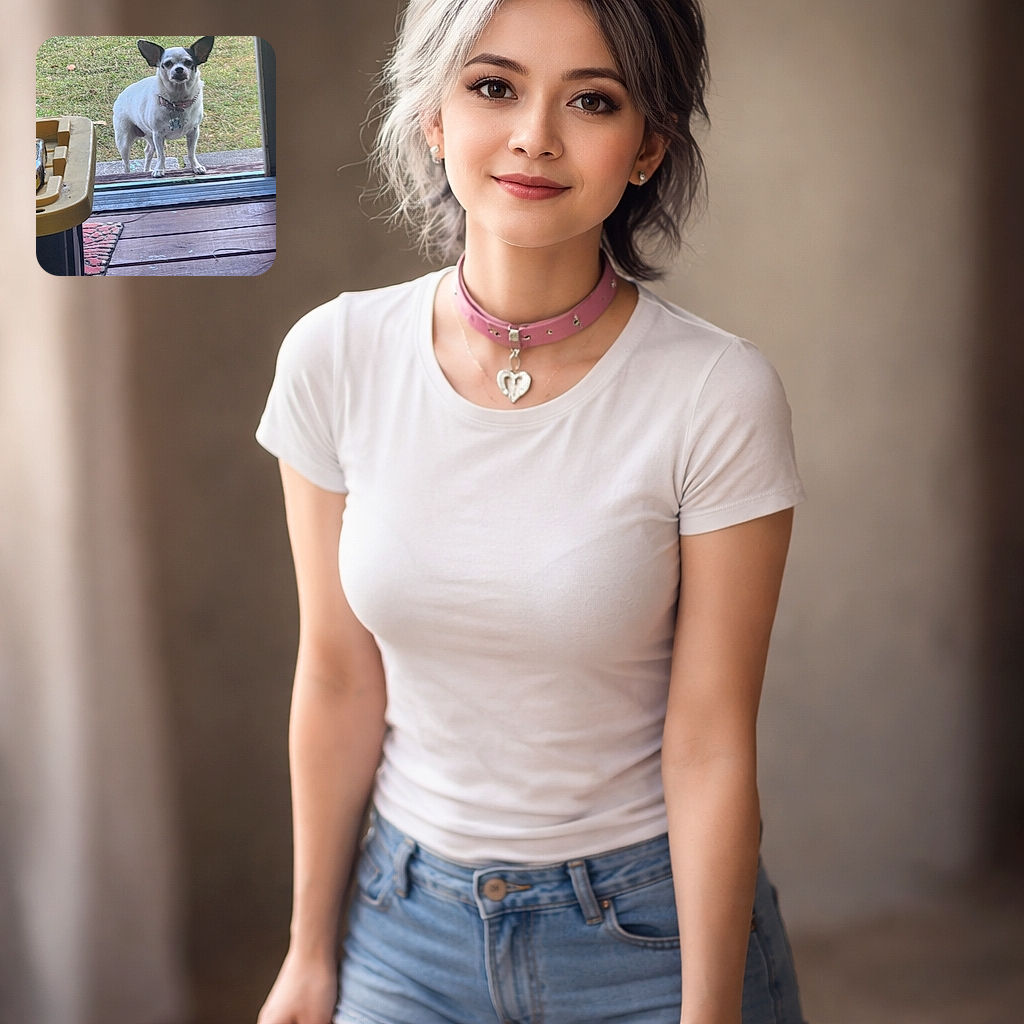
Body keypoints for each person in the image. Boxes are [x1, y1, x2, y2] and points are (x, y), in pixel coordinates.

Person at [255, 0, 807, 1021]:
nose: (533, 136)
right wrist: (309, 950)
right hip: (401, 926)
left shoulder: (715, 393)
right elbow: (336, 673)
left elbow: (711, 736)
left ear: (645, 147)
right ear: (433, 116)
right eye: (492, 86)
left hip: (646, 934)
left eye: (590, 100)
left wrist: (708, 1008)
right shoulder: (332, 358)